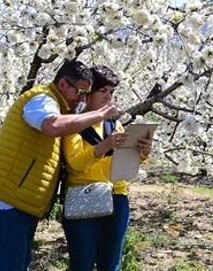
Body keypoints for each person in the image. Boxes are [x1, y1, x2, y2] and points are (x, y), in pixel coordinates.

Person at [0, 60, 121, 271]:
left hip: (21, 199)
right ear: (63, 84)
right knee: (11, 265)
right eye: (80, 92)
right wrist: (99, 115)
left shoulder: (58, 105)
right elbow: (51, 126)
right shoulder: (41, 99)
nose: (81, 99)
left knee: (18, 263)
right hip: (8, 199)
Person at [61, 65, 153, 271]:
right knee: (81, 265)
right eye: (103, 91)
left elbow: (125, 168)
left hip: (117, 198)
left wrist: (142, 153)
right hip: (84, 196)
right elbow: (75, 163)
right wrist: (105, 146)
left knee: (111, 265)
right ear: (88, 93)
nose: (108, 96)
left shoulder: (114, 125)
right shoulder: (73, 123)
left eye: (111, 92)